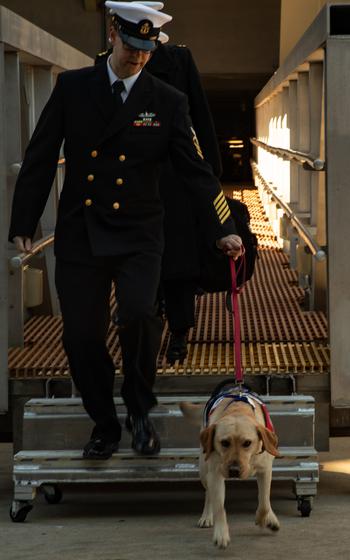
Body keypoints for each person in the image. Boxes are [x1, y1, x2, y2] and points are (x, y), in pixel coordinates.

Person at [8, 1, 242, 460]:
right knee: (80, 335)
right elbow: (39, 156)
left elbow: (196, 172)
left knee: (137, 314)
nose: (138, 58)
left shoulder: (166, 101)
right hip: (82, 231)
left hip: (139, 230)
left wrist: (224, 227)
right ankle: (104, 424)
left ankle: (139, 411)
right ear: (113, 33)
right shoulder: (73, 88)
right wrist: (24, 221)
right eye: (132, 47)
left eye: (146, 50)